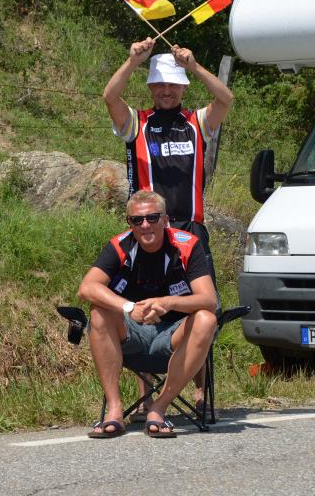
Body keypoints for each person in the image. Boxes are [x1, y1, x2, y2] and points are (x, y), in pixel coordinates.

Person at [103, 38, 233, 410]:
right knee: (143, 307)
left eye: (173, 84)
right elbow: (110, 97)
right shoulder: (137, 123)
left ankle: (200, 391)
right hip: (148, 229)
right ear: (150, 87)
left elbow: (225, 99)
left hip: (189, 229)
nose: (166, 90)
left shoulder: (198, 122)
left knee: (202, 311)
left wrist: (194, 66)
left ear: (183, 87)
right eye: (159, 84)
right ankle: (146, 395)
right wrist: (132, 60)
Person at [78, 190, 217, 438]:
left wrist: (169, 303)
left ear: (165, 220)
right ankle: (114, 410)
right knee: (99, 312)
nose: (145, 225)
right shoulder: (120, 245)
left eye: (152, 218)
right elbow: (87, 288)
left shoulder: (187, 245)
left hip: (174, 333)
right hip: (134, 333)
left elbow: (209, 300)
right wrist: (130, 308)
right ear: (129, 223)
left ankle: (159, 408)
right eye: (137, 220)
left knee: (207, 319)